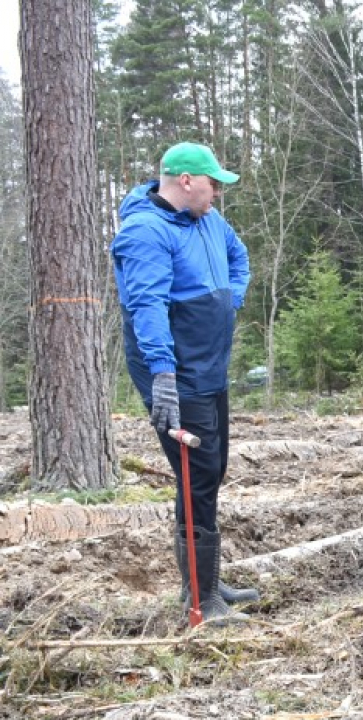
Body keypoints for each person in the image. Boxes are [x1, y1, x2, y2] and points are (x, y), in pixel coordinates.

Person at [112, 142, 257, 624]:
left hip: (210, 368)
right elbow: (145, 307)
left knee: (210, 471)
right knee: (196, 476)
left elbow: (239, 259)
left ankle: (205, 580)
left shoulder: (210, 221)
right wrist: (163, 375)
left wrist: (230, 298)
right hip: (178, 373)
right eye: (213, 183)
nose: (217, 192)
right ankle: (201, 599)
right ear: (187, 180)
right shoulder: (144, 232)